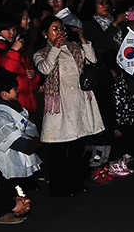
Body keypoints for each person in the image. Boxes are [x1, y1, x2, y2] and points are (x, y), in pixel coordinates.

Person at [33, 17, 105, 196]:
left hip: (79, 101)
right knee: (59, 147)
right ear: (45, 33)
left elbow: (92, 60)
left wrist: (83, 40)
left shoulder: (74, 47)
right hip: (60, 104)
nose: (59, 32)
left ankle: (75, 183)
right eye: (55, 29)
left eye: (61, 28)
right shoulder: (41, 53)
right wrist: (55, 48)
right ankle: (58, 188)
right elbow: (45, 68)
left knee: (78, 145)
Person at [0, 69, 40, 224]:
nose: (18, 91)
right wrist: (33, 143)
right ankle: (8, 211)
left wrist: (33, 139)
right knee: (8, 189)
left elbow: (29, 126)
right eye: (14, 89)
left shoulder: (13, 108)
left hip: (13, 160)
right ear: (4, 93)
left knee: (15, 190)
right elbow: (17, 142)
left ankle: (13, 207)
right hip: (4, 162)